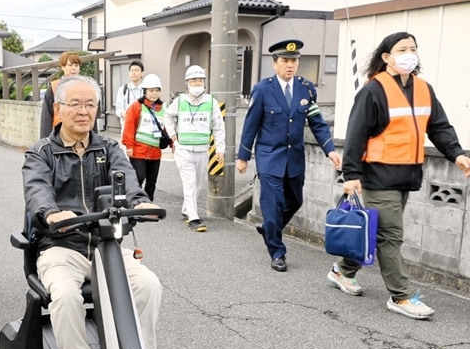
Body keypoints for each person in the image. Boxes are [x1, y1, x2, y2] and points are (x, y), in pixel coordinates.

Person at [22, 75, 163, 349]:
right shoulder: (40, 153)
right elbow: (37, 191)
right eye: (75, 104)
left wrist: (140, 201)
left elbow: (127, 179)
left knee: (148, 285)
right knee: (67, 297)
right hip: (62, 247)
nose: (83, 112)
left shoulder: (109, 148)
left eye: (90, 104)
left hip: (106, 244)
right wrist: (53, 213)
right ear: (58, 110)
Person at [327, 31, 470, 318]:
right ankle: (401, 296)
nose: (410, 54)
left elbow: (439, 127)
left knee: (376, 231)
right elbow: (356, 135)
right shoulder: (373, 90)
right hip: (377, 176)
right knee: (389, 236)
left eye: (413, 48)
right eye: (403, 49)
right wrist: (351, 174)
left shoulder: (424, 89)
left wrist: (456, 154)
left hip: (407, 176)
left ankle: (342, 270)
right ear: (387, 57)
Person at [237, 39, 341, 271]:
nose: (290, 65)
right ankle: (277, 251)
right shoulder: (263, 89)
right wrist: (243, 156)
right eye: (285, 61)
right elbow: (250, 125)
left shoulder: (306, 89)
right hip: (269, 157)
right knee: (272, 206)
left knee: (295, 201)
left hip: (294, 159)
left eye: (294, 61)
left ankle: (268, 229)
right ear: (274, 64)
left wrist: (330, 149)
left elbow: (317, 122)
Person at [163, 65, 226, 232]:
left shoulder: (211, 102)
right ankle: (194, 218)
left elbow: (219, 127)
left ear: (205, 82)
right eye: (193, 80)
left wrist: (220, 149)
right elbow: (167, 116)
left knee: (198, 184)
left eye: (200, 80)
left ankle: (186, 210)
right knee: (189, 184)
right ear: (187, 83)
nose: (197, 83)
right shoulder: (180, 101)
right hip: (183, 150)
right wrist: (172, 135)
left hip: (202, 150)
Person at [121, 73, 166, 201]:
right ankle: (136, 199)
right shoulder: (136, 106)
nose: (154, 93)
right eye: (151, 90)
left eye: (157, 90)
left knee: (152, 181)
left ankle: (148, 201)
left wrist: (173, 143)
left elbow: (167, 129)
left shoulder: (163, 108)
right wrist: (129, 146)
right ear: (145, 91)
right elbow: (129, 126)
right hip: (138, 151)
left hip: (155, 152)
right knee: (139, 177)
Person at [39, 52, 97, 139]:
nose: (74, 68)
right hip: (59, 135)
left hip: (83, 135)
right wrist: (44, 142)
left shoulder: (86, 87)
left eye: (76, 65)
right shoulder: (54, 87)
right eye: (70, 65)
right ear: (62, 67)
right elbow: (46, 118)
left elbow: (92, 113)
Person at [114, 60, 145, 133]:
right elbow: (118, 109)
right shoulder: (123, 90)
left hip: (143, 128)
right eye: (131, 70)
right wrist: (122, 113)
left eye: (137, 70)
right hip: (127, 128)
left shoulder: (147, 90)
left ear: (142, 73)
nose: (134, 73)